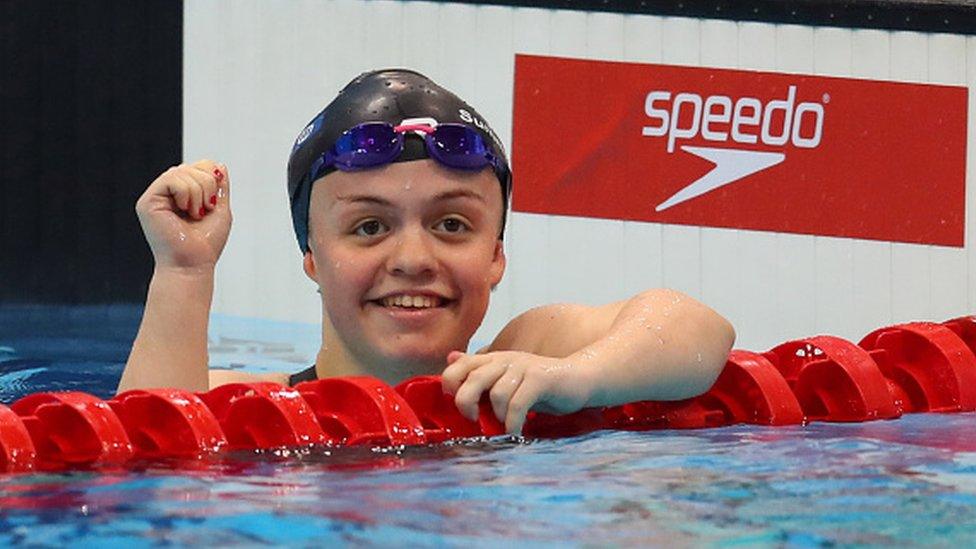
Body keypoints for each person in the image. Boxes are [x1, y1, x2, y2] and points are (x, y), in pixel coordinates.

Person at [118, 69, 735, 434]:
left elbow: (696, 329)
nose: (413, 257)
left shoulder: (530, 359)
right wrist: (184, 271)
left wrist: (576, 378)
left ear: (497, 254)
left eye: (451, 225)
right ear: (312, 255)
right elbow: (147, 459)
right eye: (368, 228)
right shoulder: (262, 409)